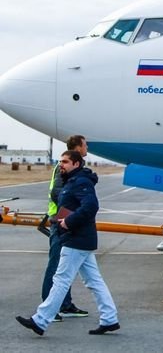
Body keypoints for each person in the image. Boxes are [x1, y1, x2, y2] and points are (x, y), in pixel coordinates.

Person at [16, 150, 120, 336]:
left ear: (76, 164)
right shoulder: (71, 181)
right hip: (79, 238)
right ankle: (110, 319)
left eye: (65, 162)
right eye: (60, 161)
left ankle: (40, 320)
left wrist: (68, 222)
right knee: (94, 281)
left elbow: (91, 206)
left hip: (76, 238)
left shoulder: (80, 182)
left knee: (61, 280)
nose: (61, 165)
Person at [42, 134, 89, 322]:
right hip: (60, 221)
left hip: (68, 221)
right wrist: (75, 209)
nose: (87, 148)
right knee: (56, 265)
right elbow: (58, 193)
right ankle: (48, 307)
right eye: (85, 145)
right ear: (78, 147)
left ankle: (65, 305)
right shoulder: (64, 166)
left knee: (66, 267)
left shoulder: (76, 166)